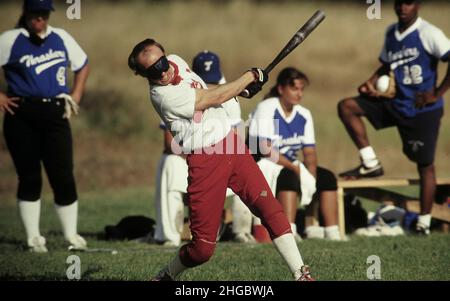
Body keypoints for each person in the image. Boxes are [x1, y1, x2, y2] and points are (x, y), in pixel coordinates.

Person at [128, 38, 313, 281]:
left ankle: (301, 274)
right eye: (152, 70)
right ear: (143, 74)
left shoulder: (176, 61)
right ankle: (167, 275)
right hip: (205, 160)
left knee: (271, 211)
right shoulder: (163, 95)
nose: (162, 71)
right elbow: (208, 99)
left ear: (165, 54)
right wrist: (248, 77)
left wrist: (242, 91)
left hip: (232, 146)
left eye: (161, 62)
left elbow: (211, 92)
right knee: (203, 249)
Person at [337, 0, 450, 235]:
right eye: (399, 3)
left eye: (408, 3)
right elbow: (386, 65)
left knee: (424, 165)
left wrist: (436, 93)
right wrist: (370, 82)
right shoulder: (391, 32)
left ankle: (424, 223)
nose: (403, 8)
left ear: (417, 5)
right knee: (347, 107)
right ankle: (370, 163)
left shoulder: (429, 33)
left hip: (422, 111)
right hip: (396, 102)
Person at [0, 0, 89, 252]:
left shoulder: (60, 37)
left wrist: (76, 95)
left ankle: (71, 236)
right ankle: (33, 239)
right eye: (34, 13)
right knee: (29, 176)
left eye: (43, 13)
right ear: (25, 14)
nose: (38, 18)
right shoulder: (11, 39)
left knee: (62, 175)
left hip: (55, 113)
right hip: (21, 113)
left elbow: (82, 65)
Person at [153, 50, 253, 246]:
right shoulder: (171, 94)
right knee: (170, 162)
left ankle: (241, 230)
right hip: (187, 156)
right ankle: (169, 236)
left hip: (219, 158)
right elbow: (169, 143)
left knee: (245, 161)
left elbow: (237, 140)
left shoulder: (230, 98)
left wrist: (212, 159)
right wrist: (198, 157)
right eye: (207, 81)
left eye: (214, 81)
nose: (211, 86)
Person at [248, 67, 342, 242]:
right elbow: (265, 149)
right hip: (265, 163)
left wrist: (311, 175)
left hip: (291, 164)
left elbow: (310, 152)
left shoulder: (304, 114)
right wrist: (296, 169)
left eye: (301, 89)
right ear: (281, 89)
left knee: (327, 178)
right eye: (294, 88)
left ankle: (332, 231)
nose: (299, 94)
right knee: (289, 177)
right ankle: (289, 230)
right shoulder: (267, 108)